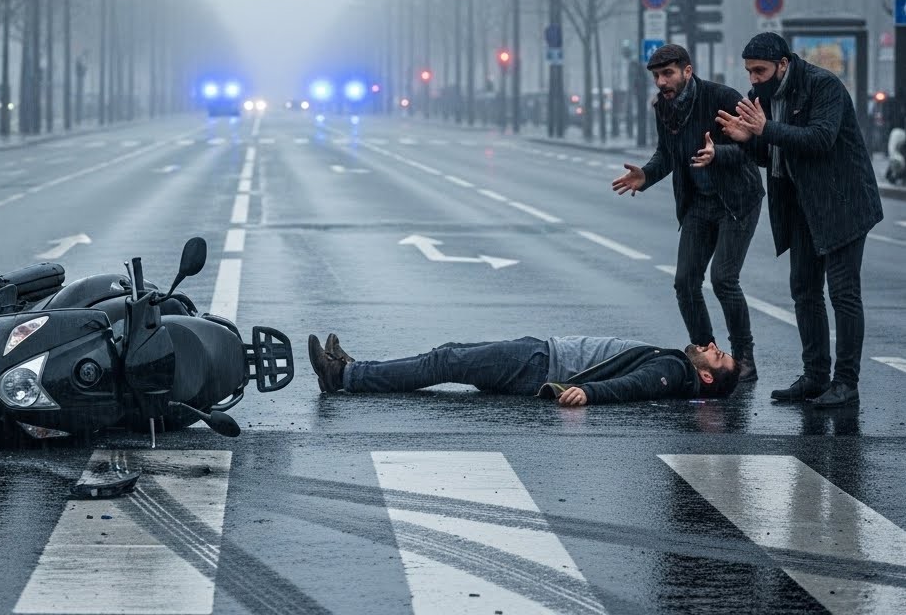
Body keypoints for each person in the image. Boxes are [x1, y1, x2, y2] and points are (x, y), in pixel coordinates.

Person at [716, 32, 883, 408]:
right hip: (802, 204)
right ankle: (814, 377)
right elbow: (770, 153)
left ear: (783, 64)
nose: (753, 79)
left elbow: (820, 139)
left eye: (759, 70)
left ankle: (846, 382)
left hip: (843, 201)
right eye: (748, 71)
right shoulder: (762, 97)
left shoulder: (824, 86)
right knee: (804, 291)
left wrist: (764, 130)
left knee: (843, 294)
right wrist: (746, 139)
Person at [611, 44, 765, 383]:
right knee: (685, 282)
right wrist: (647, 175)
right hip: (698, 202)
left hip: (736, 200)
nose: (662, 82)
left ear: (687, 71)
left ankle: (744, 357)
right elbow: (667, 154)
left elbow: (753, 149)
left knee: (724, 279)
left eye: (668, 74)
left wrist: (718, 153)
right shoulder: (663, 108)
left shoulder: (722, 97)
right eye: (656, 76)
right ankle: (705, 351)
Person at [307, 332, 741, 405]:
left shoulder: (670, 370)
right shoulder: (677, 369)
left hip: (539, 362)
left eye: (716, 356)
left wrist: (590, 393)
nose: (710, 346)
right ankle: (352, 369)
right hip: (539, 356)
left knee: (444, 361)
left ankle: (344, 375)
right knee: (450, 356)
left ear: (705, 376)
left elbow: (632, 385)